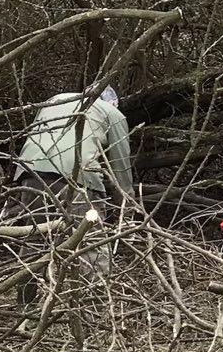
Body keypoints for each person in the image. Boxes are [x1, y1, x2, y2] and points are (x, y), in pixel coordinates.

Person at [12, 85, 134, 298]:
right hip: (77, 176)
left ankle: (25, 305)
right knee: (92, 244)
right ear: (112, 102)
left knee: (35, 238)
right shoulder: (112, 113)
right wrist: (127, 204)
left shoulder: (55, 100)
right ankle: (93, 307)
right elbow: (120, 166)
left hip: (31, 171)